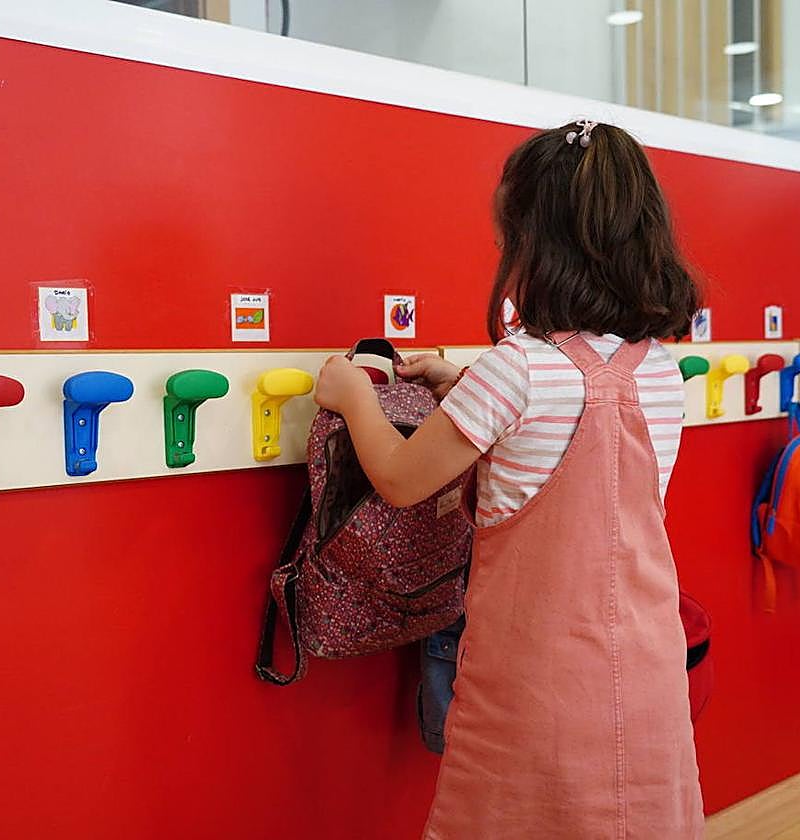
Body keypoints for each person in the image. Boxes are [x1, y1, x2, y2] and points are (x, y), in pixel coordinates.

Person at [313, 120, 704, 839]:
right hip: (646, 671)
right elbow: (572, 423)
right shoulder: (659, 369)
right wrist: (460, 385)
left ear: (532, 243)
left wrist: (352, 397)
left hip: (540, 685)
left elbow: (401, 478)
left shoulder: (516, 368)